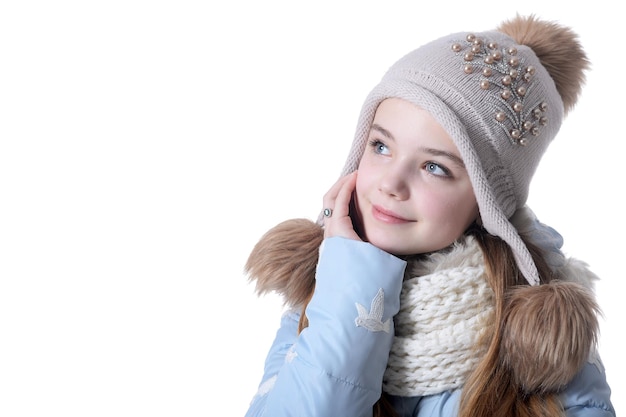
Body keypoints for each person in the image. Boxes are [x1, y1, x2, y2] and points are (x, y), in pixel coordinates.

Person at [243, 14, 615, 417]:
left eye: (434, 167)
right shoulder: (320, 300)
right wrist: (350, 285)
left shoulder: (542, 344)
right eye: (381, 146)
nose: (391, 183)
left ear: (486, 204)